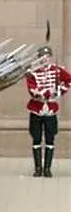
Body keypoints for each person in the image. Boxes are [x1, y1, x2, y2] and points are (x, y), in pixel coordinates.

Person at [26, 46, 71, 177]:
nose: (45, 59)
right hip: (36, 108)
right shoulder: (32, 72)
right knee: (36, 138)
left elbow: (68, 81)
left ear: (50, 57)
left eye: (47, 56)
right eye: (42, 56)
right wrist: (42, 93)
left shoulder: (57, 71)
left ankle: (47, 169)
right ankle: (38, 168)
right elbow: (31, 89)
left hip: (50, 109)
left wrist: (58, 92)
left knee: (50, 139)